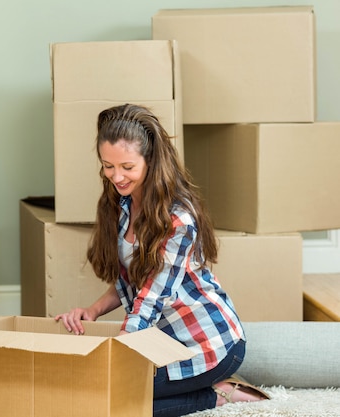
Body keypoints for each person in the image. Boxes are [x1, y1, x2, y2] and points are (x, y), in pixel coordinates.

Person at [55, 104, 269, 416]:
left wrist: (118, 351)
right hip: (163, 342)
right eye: (108, 166)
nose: (117, 176)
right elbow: (133, 281)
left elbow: (152, 295)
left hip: (209, 345)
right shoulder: (122, 205)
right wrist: (92, 311)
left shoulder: (178, 218)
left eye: (127, 167)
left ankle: (217, 397)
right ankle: (203, 389)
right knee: (94, 390)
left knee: (110, 398)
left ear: (150, 160)